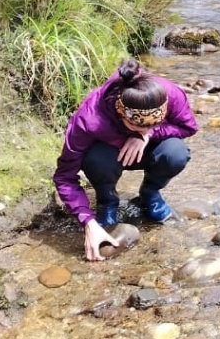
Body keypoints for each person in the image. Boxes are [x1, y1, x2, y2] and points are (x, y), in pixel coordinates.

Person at [53, 59, 199, 262]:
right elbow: (64, 177)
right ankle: (106, 202)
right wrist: (88, 222)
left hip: (150, 149)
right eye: (138, 127)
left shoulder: (170, 93)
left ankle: (149, 194)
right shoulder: (89, 118)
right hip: (110, 154)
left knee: (176, 153)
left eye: (153, 124)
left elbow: (189, 127)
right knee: (95, 159)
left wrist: (145, 135)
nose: (146, 129)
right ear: (122, 114)